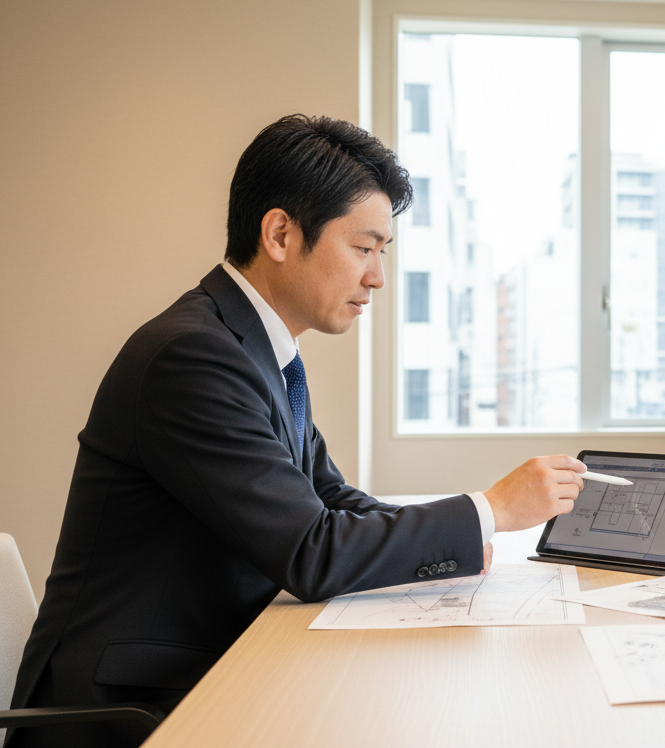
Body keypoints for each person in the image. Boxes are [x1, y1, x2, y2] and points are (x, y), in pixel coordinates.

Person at [6, 115, 587, 748]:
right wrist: (489, 511)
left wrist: (454, 544)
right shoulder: (193, 358)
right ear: (281, 233)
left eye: (382, 254)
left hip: (209, 666)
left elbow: (329, 499)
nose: (377, 277)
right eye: (363, 248)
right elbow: (313, 552)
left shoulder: (254, 346)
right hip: (133, 706)